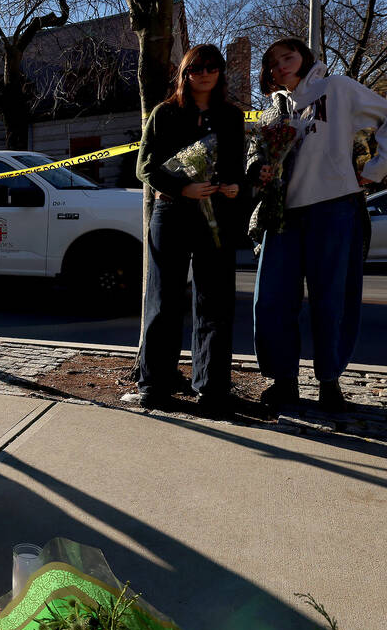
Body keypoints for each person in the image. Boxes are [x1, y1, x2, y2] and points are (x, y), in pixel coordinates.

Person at [252, 37, 387, 413]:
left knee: (332, 300)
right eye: (273, 63)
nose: (282, 65)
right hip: (284, 215)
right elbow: (258, 155)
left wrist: (375, 170)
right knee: (272, 301)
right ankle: (284, 382)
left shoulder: (338, 87)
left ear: (304, 57)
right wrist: (260, 170)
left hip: (334, 208)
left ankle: (330, 383)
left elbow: (386, 114)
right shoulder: (272, 111)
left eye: (288, 56)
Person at [134, 44, 247, 414]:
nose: (204, 73)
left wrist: (234, 186)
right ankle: (155, 384)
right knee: (164, 300)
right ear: (185, 72)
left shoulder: (231, 116)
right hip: (172, 213)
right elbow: (145, 167)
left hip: (217, 215)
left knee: (214, 302)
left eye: (212, 67)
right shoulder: (165, 113)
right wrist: (182, 187)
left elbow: (237, 166)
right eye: (196, 67)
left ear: (220, 72)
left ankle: (212, 387)